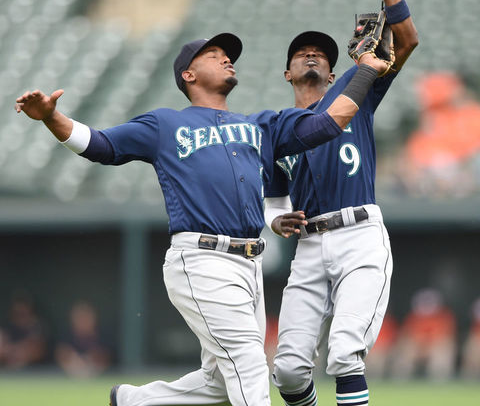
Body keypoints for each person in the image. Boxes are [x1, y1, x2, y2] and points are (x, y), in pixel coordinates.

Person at [15, 31, 389, 406]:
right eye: (213, 55)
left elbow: (329, 123)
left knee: (219, 384)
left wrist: (365, 73)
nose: (226, 59)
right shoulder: (165, 125)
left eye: (227, 55)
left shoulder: (261, 126)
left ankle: (133, 401)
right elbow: (102, 145)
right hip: (202, 259)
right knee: (249, 366)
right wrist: (52, 118)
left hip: (248, 265)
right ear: (188, 76)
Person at [263, 0, 418, 406]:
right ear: (287, 72)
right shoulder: (275, 126)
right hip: (310, 245)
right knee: (289, 370)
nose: (312, 54)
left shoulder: (355, 92)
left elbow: (406, 40)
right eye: (300, 52)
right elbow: (273, 196)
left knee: (346, 352)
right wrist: (274, 221)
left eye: (322, 54)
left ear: (334, 72)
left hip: (359, 237)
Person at [390, 288, 456, 381]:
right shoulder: (413, 317)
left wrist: (427, 348)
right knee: (406, 350)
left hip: (434, 349)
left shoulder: (444, 317)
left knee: (441, 351)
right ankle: (399, 383)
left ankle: (439, 384)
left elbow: (445, 339)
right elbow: (406, 337)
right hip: (417, 348)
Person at [54, 300, 112, 377]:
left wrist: (89, 362)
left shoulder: (103, 338)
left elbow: (104, 359)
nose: (83, 321)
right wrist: (75, 362)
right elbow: (62, 355)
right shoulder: (65, 337)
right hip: (69, 377)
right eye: (79, 318)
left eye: (86, 317)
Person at [0, 293, 48, 370]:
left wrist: (20, 351)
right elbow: (3, 349)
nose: (20, 312)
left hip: (33, 370)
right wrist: (12, 350)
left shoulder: (36, 326)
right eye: (17, 311)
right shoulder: (8, 326)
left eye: (23, 311)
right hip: (8, 367)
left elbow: (38, 350)